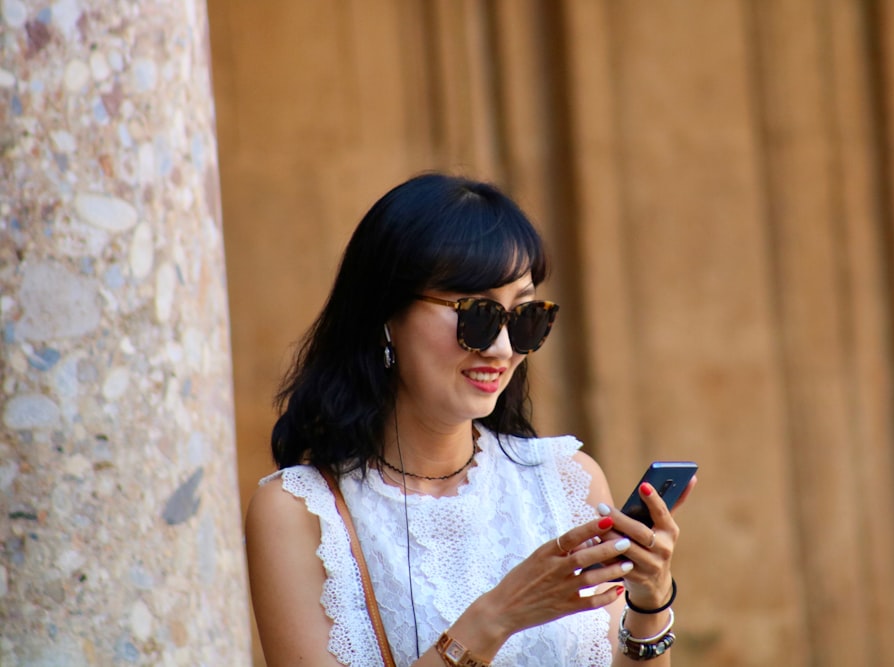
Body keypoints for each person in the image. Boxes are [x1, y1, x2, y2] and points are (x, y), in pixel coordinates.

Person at [245, 173, 694, 666]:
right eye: (477, 314)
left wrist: (650, 600)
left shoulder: (566, 480)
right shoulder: (300, 513)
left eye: (526, 317)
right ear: (385, 317)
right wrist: (498, 616)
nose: (502, 349)